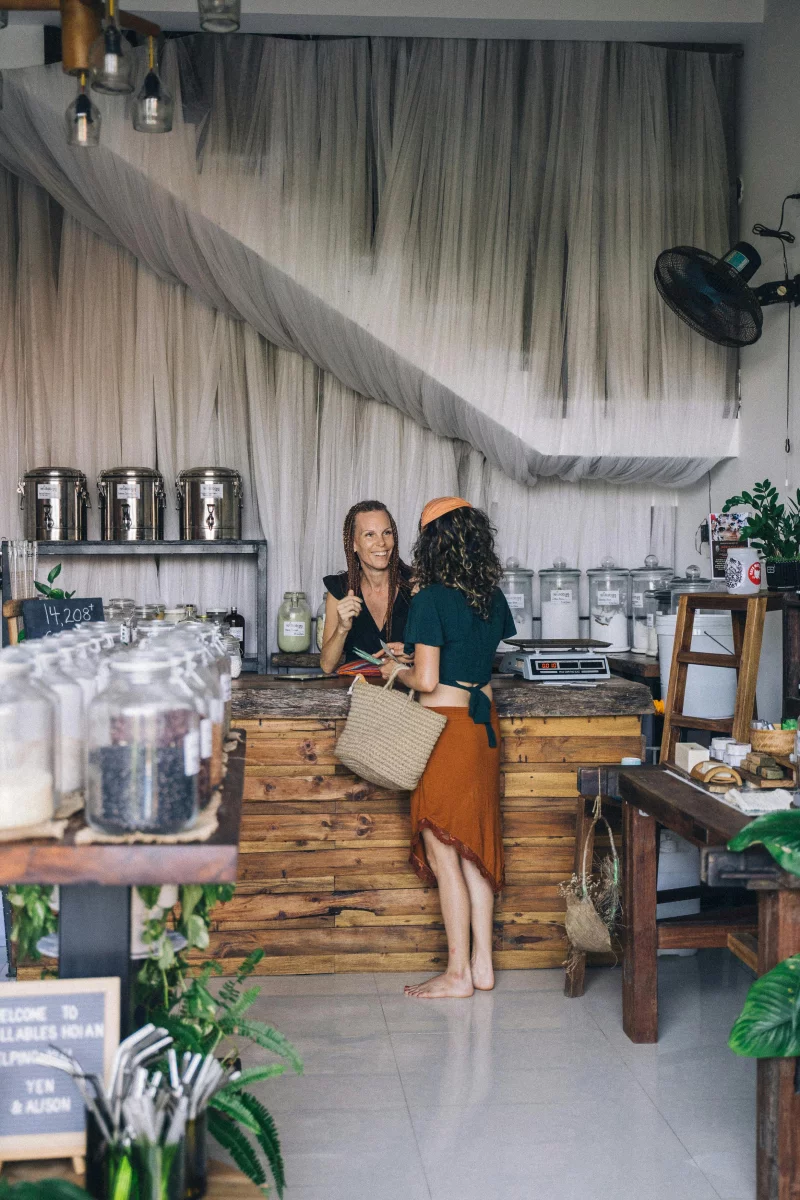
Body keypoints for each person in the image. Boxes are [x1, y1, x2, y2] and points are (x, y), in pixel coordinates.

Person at [379, 497, 515, 999]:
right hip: (483, 728)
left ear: (432, 543)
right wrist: (416, 651)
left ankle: (457, 973)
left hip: (447, 730)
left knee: (444, 850)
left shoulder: (431, 598)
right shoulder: (492, 596)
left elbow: (429, 678)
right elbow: (474, 658)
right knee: (475, 850)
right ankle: (483, 966)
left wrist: (397, 669)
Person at [320, 500, 413, 675]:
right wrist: (342, 627)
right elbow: (327, 666)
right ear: (353, 544)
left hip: (406, 695)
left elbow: (445, 652)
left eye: (387, 533)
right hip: (357, 695)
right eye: (370, 535)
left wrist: (414, 653)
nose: (382, 543)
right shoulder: (340, 589)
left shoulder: (416, 586)